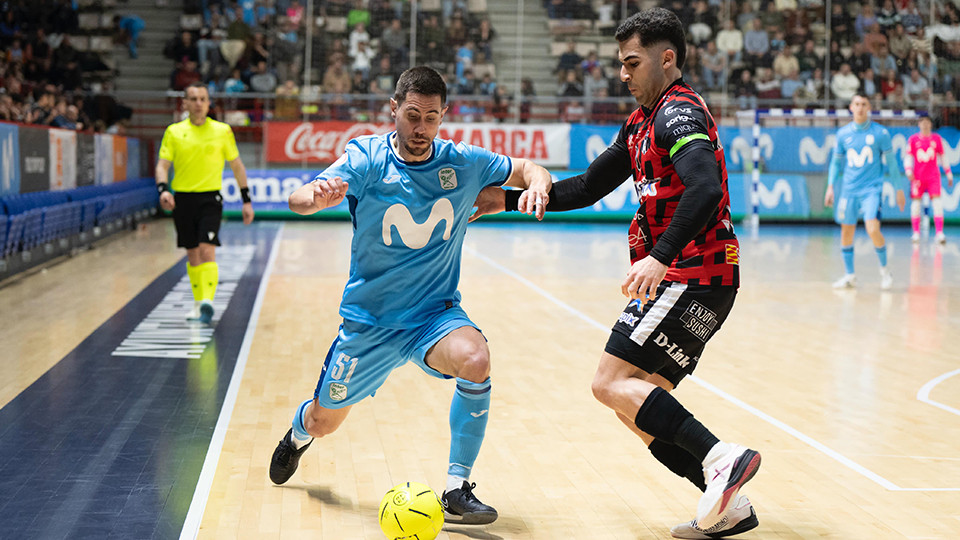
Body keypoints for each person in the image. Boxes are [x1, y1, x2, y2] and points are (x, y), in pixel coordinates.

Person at [472, 9, 760, 539]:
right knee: (639, 406)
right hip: (703, 279)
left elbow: (706, 189)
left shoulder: (678, 114)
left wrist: (660, 255)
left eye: (632, 62)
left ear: (666, 59)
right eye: (620, 64)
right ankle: (728, 504)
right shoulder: (639, 124)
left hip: (692, 272)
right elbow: (583, 188)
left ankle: (722, 457)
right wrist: (505, 200)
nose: (622, 74)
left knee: (609, 383)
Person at [268, 66, 553, 526]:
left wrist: (537, 179)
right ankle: (298, 434)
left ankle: (456, 490)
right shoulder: (365, 159)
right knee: (325, 421)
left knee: (476, 359)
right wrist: (317, 196)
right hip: (370, 323)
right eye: (412, 116)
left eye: (432, 118)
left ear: (444, 117)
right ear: (394, 110)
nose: (421, 129)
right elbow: (298, 199)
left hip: (432, 317)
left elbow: (525, 168)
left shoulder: (462, 160)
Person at [155, 82, 255, 324]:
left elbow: (237, 166)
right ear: (185, 103)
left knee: (206, 248)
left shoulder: (222, 131)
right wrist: (163, 190)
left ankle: (209, 301)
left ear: (209, 103)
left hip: (210, 198)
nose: (198, 103)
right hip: (182, 199)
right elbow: (162, 165)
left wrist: (246, 200)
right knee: (192, 254)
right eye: (193, 99)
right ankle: (199, 304)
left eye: (202, 98)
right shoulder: (174, 132)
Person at [824, 93, 905, 290]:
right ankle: (850, 275)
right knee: (846, 232)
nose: (860, 107)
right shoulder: (843, 134)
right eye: (857, 104)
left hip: (871, 190)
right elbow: (836, 163)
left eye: (864, 104)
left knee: (872, 229)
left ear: (869, 108)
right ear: (851, 107)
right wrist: (830, 186)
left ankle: (885, 271)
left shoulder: (881, 133)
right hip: (849, 190)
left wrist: (899, 188)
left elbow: (892, 163)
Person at [905, 115, 954, 244]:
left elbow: (943, 157)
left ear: (931, 124)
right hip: (918, 177)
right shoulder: (913, 139)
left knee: (937, 204)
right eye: (922, 123)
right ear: (919, 124)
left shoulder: (937, 139)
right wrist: (908, 170)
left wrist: (948, 173)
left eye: (927, 122)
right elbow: (908, 157)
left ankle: (939, 233)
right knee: (915, 205)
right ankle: (916, 233)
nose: (925, 125)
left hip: (933, 177)